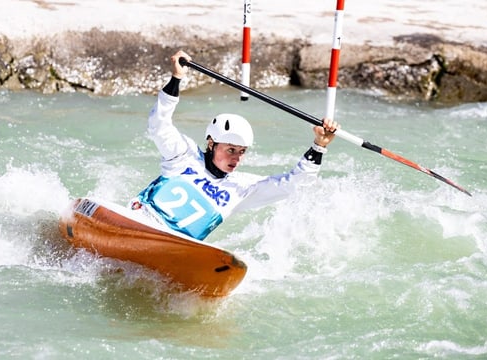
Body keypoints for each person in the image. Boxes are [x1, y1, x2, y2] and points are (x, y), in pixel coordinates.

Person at [132, 50, 339, 241]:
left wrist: (319, 146)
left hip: (175, 245)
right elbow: (159, 124)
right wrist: (177, 78)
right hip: (139, 222)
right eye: (231, 150)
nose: (237, 158)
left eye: (242, 152)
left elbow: (293, 185)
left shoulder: (242, 189)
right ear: (211, 143)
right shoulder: (183, 155)